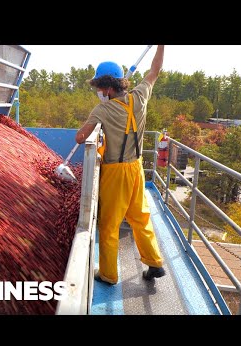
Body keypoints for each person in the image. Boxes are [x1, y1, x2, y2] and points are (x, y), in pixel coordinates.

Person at [75, 45, 165, 285]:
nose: (98, 92)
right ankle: (155, 263)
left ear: (106, 88)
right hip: (137, 168)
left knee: (109, 225)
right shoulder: (140, 96)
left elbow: (80, 137)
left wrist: (94, 123)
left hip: (115, 172)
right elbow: (154, 71)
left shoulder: (102, 109)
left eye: (99, 88)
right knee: (140, 217)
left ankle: (108, 274)